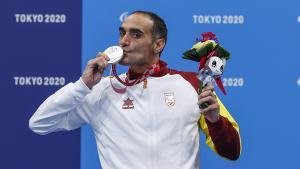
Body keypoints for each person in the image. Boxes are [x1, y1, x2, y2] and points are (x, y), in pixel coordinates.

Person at [29, 11, 241, 169]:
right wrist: (82, 86)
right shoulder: (101, 89)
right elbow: (39, 123)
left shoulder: (193, 84)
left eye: (136, 35)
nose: (124, 41)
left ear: (158, 44)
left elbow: (232, 152)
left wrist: (215, 122)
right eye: (122, 33)